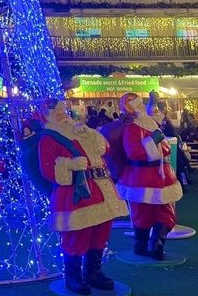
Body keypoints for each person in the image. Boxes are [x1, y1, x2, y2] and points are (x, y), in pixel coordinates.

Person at [38, 98, 128, 294]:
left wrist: (89, 133)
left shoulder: (79, 130)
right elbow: (46, 169)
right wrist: (68, 165)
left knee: (100, 233)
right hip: (77, 193)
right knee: (77, 235)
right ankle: (73, 276)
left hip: (101, 189)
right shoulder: (49, 138)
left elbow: (104, 148)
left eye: (63, 109)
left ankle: (93, 272)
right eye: (56, 111)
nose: (62, 114)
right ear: (47, 115)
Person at [116, 93, 183, 261]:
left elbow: (165, 146)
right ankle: (142, 244)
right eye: (138, 105)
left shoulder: (150, 123)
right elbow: (134, 151)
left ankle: (156, 244)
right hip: (141, 177)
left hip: (161, 175)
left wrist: (156, 141)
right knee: (142, 212)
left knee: (166, 212)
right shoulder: (131, 128)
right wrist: (153, 141)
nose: (141, 108)